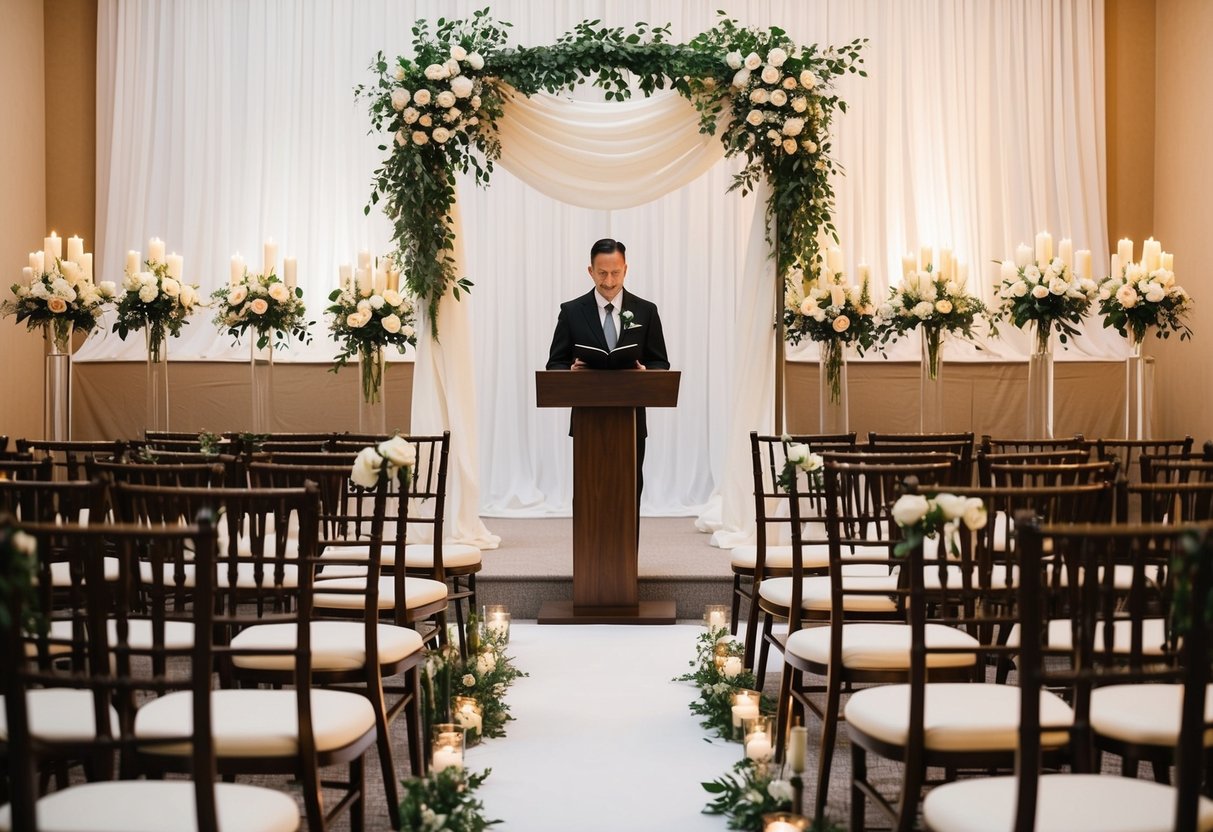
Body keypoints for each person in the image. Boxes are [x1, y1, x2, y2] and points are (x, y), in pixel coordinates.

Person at [546, 238, 670, 499]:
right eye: (602, 273)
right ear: (590, 271)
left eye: (616, 273)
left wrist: (645, 373)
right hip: (587, 420)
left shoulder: (646, 311)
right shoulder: (571, 311)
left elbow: (660, 362)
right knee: (589, 491)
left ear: (626, 269)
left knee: (629, 490)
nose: (610, 281)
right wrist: (571, 372)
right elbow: (555, 364)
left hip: (631, 420)